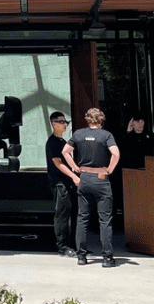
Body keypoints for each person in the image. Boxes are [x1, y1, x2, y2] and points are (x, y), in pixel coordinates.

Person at [63, 107, 119, 267]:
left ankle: (81, 256)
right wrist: (109, 170)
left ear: (87, 119)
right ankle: (107, 257)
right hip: (100, 178)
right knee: (105, 219)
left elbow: (65, 151)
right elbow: (116, 153)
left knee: (82, 217)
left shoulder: (79, 134)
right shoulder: (106, 135)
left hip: (84, 177)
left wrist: (75, 167)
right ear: (102, 119)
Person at [44, 111, 77, 256]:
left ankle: (73, 244)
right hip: (59, 183)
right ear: (53, 123)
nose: (65, 124)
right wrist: (73, 176)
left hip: (67, 182)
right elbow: (58, 163)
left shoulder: (63, 142)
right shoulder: (52, 142)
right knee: (62, 214)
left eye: (66, 122)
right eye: (61, 122)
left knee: (71, 212)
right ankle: (62, 246)